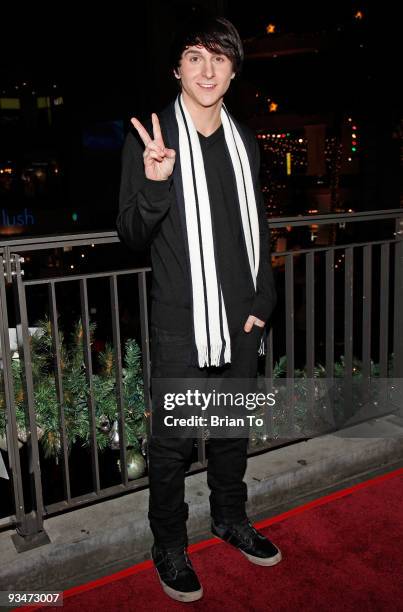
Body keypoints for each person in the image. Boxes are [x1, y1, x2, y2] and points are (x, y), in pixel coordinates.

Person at [116, 14, 280, 603]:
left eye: (219, 57)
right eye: (194, 57)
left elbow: (255, 228)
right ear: (177, 69)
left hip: (240, 317)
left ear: (233, 69)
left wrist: (263, 299)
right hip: (179, 322)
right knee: (173, 445)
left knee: (232, 431)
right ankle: (169, 545)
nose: (207, 69)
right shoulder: (151, 137)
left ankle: (230, 519)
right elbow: (131, 231)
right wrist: (157, 181)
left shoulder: (246, 143)